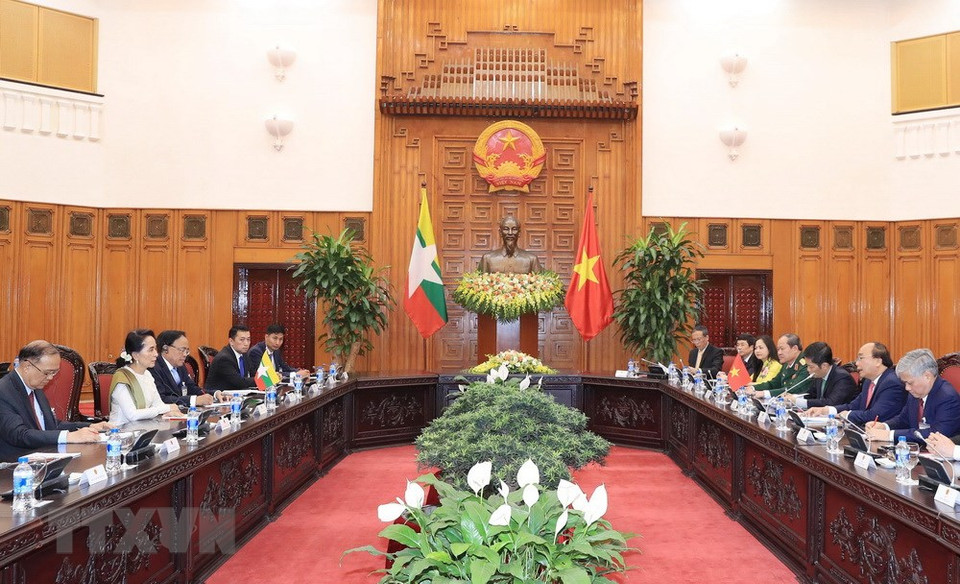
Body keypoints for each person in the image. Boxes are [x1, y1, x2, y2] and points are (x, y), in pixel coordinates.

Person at [0, 341, 112, 461]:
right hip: (15, 466)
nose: (50, 378)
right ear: (27, 367)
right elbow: (20, 435)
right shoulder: (4, 390)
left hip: (45, 457)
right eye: (47, 373)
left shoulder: (35, 386)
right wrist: (68, 437)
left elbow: (51, 424)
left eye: (54, 373)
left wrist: (91, 426)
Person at [866, 348, 960, 442]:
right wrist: (884, 426)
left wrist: (889, 435)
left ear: (927, 376)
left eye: (910, 383)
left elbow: (936, 434)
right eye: (905, 383)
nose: (907, 388)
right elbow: (903, 419)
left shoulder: (948, 397)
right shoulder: (915, 393)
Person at [804, 342, 906, 426]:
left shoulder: (892, 383)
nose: (856, 363)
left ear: (878, 361)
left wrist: (847, 415)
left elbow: (875, 415)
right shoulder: (868, 382)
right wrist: (826, 410)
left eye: (861, 358)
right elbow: (853, 405)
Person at [109, 329, 182, 425]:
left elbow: (158, 404)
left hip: (143, 428)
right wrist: (165, 408)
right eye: (151, 350)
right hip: (120, 433)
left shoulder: (147, 374)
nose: (156, 354)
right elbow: (132, 415)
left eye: (155, 349)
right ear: (135, 355)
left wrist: (169, 411)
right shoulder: (123, 378)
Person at [149, 330, 218, 407]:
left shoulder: (180, 366)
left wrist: (215, 394)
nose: (185, 354)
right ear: (166, 349)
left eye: (187, 351)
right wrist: (194, 400)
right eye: (182, 350)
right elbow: (161, 398)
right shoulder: (154, 368)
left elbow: (192, 388)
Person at [784, 342, 858, 409]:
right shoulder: (819, 375)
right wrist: (793, 397)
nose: (808, 370)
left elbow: (831, 403)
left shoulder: (842, 378)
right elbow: (811, 395)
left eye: (811, 367)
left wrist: (797, 401)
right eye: (807, 366)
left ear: (824, 366)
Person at [747, 333, 811, 398]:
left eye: (782, 349)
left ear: (794, 349)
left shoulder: (806, 365)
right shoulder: (786, 364)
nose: (779, 353)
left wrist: (765, 393)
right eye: (778, 349)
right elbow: (774, 383)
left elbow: (793, 389)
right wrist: (753, 388)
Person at [477, 216, 542, 274]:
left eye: (514, 229)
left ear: (519, 232)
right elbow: (478, 284)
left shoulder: (531, 259)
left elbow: (540, 284)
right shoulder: (487, 258)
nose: (510, 233)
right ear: (500, 232)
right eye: (506, 229)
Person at [204, 325, 257, 392]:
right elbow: (239, 382)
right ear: (231, 341)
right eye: (242, 340)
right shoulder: (224, 359)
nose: (246, 343)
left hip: (237, 394)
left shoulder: (244, 354)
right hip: (219, 398)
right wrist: (263, 380)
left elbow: (253, 373)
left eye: (248, 339)